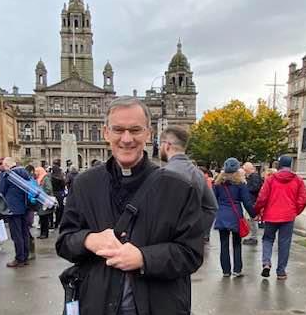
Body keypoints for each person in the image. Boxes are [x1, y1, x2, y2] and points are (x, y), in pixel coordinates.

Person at [56, 96, 204, 315]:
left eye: (135, 130)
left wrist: (144, 259)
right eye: (118, 130)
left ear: (148, 134)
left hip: (159, 306)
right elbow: (64, 241)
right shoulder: (84, 184)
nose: (126, 139)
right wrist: (88, 239)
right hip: (97, 305)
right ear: (106, 132)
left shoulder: (179, 188)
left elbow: (191, 253)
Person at [160, 126, 218, 244]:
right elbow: (212, 207)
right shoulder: (199, 174)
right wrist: (196, 235)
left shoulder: (163, 174)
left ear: (167, 145)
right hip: (189, 246)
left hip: (165, 245)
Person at [255, 155, 306, 280]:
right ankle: (281, 271)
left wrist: (257, 209)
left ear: (279, 165)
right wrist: (295, 211)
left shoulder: (271, 179)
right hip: (288, 216)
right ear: (291, 165)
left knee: (267, 239)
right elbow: (302, 199)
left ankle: (266, 263)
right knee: (284, 243)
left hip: (271, 215)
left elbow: (262, 197)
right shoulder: (298, 180)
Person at [213, 157, 256, 277]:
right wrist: (254, 214)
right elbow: (247, 202)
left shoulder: (217, 183)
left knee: (224, 244)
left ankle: (226, 271)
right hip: (236, 216)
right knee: (237, 243)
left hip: (222, 215)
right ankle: (237, 269)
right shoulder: (240, 184)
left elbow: (213, 200)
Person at [0, 157, 30, 268]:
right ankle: (25, 257)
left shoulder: (8, 175)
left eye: (3, 165)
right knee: (24, 233)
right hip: (24, 207)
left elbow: (1, 190)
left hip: (13, 209)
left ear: (8, 165)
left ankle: (19, 259)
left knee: (16, 234)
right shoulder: (24, 172)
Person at [242, 162, 262, 245]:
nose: (245, 171)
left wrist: (245, 188)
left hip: (253, 200)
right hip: (251, 200)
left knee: (253, 220)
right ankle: (253, 236)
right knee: (251, 220)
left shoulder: (254, 177)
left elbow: (255, 187)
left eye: (245, 170)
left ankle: (254, 238)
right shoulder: (252, 177)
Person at [35, 167, 54, 239]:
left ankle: (45, 234)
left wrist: (41, 193)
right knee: (42, 217)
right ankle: (42, 233)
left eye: (37, 171)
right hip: (41, 201)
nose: (35, 173)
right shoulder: (39, 179)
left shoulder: (45, 178)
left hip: (45, 201)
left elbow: (49, 189)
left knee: (44, 218)